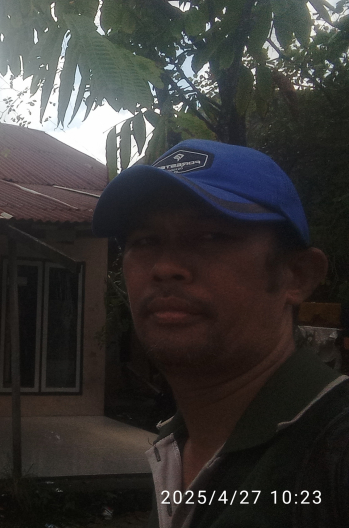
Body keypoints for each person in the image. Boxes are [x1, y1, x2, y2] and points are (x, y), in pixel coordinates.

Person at [91, 139, 349, 528]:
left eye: (210, 236)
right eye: (145, 241)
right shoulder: (174, 448)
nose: (165, 267)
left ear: (296, 275)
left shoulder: (336, 451)